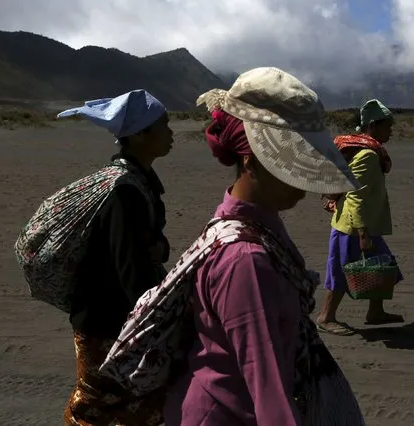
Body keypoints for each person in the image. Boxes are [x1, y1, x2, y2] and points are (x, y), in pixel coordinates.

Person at [100, 67, 365, 425]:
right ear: (251, 162)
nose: (303, 184)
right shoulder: (246, 259)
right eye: (291, 168)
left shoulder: (248, 227)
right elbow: (267, 389)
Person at [56, 89, 174, 425]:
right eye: (163, 125)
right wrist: (157, 317)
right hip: (107, 320)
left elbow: (147, 245)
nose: (171, 133)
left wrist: (159, 249)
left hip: (111, 316)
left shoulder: (138, 182)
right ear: (138, 135)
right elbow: (131, 270)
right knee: (98, 408)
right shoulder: (124, 190)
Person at [317, 99, 404, 336]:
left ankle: (375, 312)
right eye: (387, 126)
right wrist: (363, 233)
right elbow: (356, 195)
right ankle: (326, 317)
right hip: (353, 227)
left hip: (364, 223)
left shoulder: (363, 149)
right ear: (373, 126)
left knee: (381, 264)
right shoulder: (367, 154)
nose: (391, 131)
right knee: (341, 272)